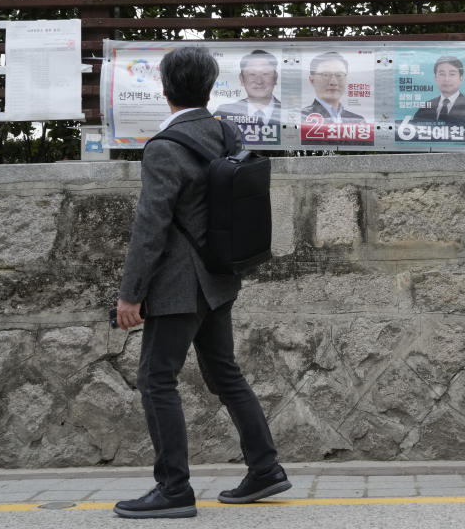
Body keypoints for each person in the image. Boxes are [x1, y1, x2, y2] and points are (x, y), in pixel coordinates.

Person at [113, 47, 290, 519]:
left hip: (177, 286)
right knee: (224, 373)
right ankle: (265, 467)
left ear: (165, 88)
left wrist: (131, 293)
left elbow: (150, 228)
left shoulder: (165, 148)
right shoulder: (226, 133)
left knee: (156, 379)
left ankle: (173, 488)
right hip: (220, 276)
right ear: (210, 88)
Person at [213, 49, 286, 126]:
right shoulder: (224, 113)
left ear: (275, 78)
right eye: (252, 74)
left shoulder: (290, 114)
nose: (259, 81)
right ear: (242, 79)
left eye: (265, 73)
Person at [301, 51, 366, 123]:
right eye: (325, 75)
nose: (333, 82)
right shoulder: (302, 117)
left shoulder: (358, 121)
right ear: (312, 80)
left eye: (339, 75)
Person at [413, 55, 465, 127]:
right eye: (442, 74)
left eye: (452, 74)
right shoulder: (425, 107)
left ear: (461, 78)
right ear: (435, 78)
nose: (446, 79)